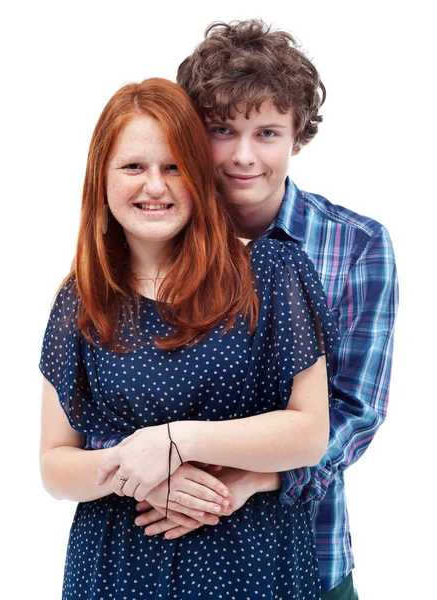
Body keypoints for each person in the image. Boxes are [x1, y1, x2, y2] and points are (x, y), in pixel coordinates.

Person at [39, 77, 340, 599]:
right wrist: (138, 473)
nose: (153, 186)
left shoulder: (272, 272)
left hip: (249, 559)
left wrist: (175, 442)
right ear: (102, 179)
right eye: (133, 167)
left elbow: (310, 433)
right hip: (117, 564)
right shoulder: (81, 299)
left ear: (198, 177)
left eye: (173, 167)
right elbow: (54, 465)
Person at [133, 20, 399, 599]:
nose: (243, 157)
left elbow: (356, 408)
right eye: (221, 130)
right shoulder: (151, 237)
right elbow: (105, 396)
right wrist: (149, 472)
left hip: (310, 551)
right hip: (165, 552)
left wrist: (261, 476)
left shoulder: (355, 246)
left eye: (268, 132)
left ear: (298, 136)